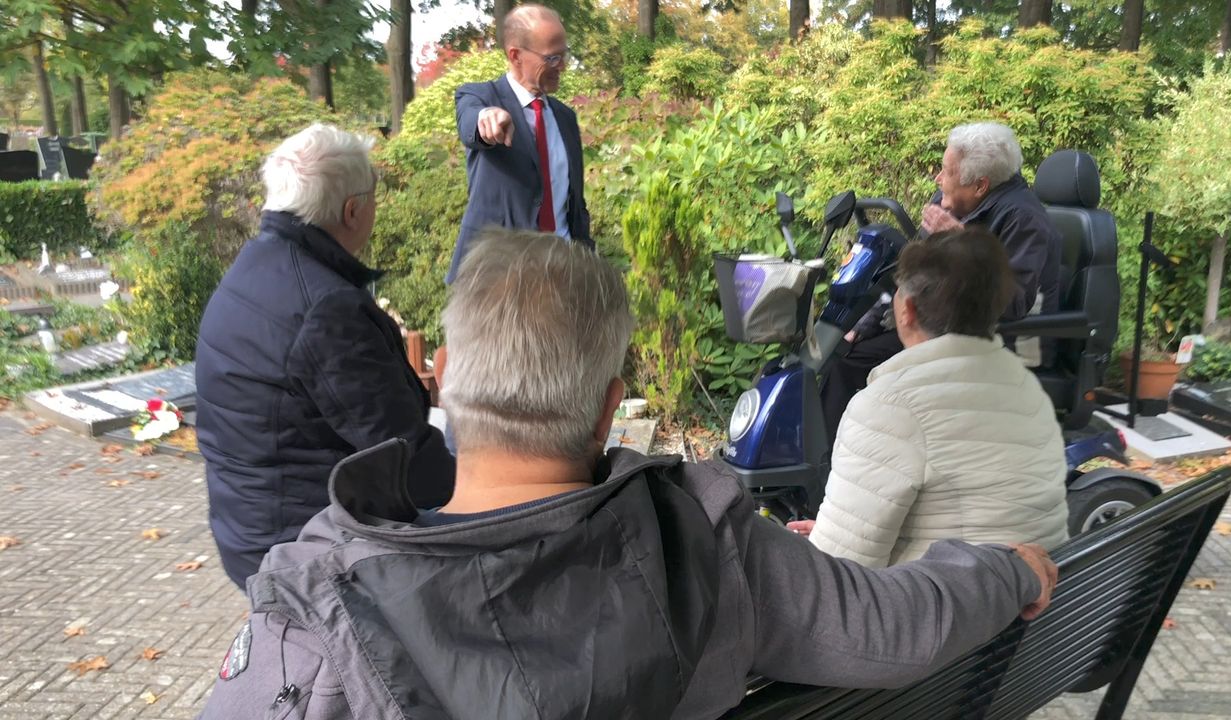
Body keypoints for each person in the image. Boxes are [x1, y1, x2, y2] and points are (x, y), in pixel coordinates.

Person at [199, 229, 1058, 720]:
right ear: (611, 404)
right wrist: (1003, 567)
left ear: (446, 373)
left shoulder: (317, 607)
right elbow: (890, 626)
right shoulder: (703, 538)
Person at [195, 123, 455, 591]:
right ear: (352, 211)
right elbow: (402, 455)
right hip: (305, 551)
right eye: (375, 195)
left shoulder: (252, 267)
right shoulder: (326, 308)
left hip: (250, 528)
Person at [788, 228, 1069, 567]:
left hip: (948, 613)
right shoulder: (1028, 391)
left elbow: (840, 574)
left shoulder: (889, 408)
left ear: (906, 309)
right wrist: (838, 529)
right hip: (1038, 607)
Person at [819, 122, 1063, 445]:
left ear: (980, 186)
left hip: (1005, 344)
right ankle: (826, 465)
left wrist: (961, 245)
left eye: (947, 172)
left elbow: (1013, 304)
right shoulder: (952, 201)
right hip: (946, 327)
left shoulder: (1025, 220)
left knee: (874, 376)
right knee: (844, 357)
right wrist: (861, 324)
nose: (938, 179)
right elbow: (909, 274)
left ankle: (856, 470)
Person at [447, 4, 591, 283]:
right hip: (498, 284)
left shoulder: (565, 118)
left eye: (564, 55)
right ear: (516, 55)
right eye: (552, 58)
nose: (562, 66)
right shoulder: (480, 97)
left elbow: (575, 205)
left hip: (561, 276)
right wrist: (486, 119)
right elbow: (470, 123)